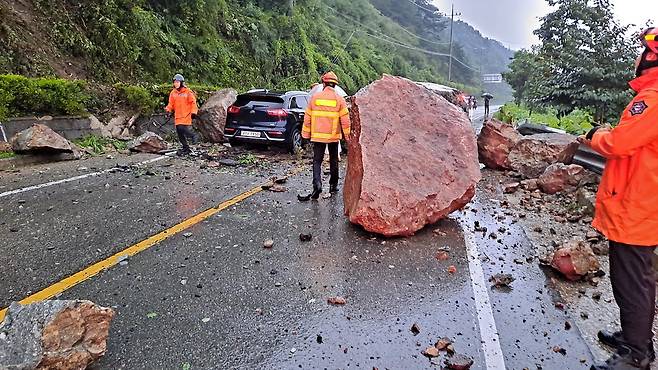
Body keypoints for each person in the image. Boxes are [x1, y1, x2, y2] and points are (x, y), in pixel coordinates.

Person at [580, 27, 658, 370]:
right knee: (632, 275)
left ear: (651, 57)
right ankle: (635, 339)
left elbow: (619, 144)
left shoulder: (653, 98)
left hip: (638, 205)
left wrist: (595, 134)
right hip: (638, 202)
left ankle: (637, 354)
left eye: (642, 52)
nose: (637, 57)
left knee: (632, 279)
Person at [298, 71, 351, 201]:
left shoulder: (315, 98)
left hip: (317, 136)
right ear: (335, 85)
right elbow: (345, 120)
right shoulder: (339, 100)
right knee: (333, 160)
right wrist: (348, 137)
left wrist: (305, 134)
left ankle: (317, 184)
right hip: (333, 136)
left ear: (323, 83)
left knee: (317, 161)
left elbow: (307, 117)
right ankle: (333, 185)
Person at [165, 74, 198, 156]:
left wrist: (194, 112)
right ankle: (186, 148)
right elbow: (170, 104)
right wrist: (168, 110)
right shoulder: (173, 93)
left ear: (181, 83)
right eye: (174, 82)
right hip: (178, 116)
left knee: (182, 128)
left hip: (186, 115)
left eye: (177, 82)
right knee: (179, 133)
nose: (175, 84)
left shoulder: (188, 92)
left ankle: (194, 135)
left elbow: (193, 103)